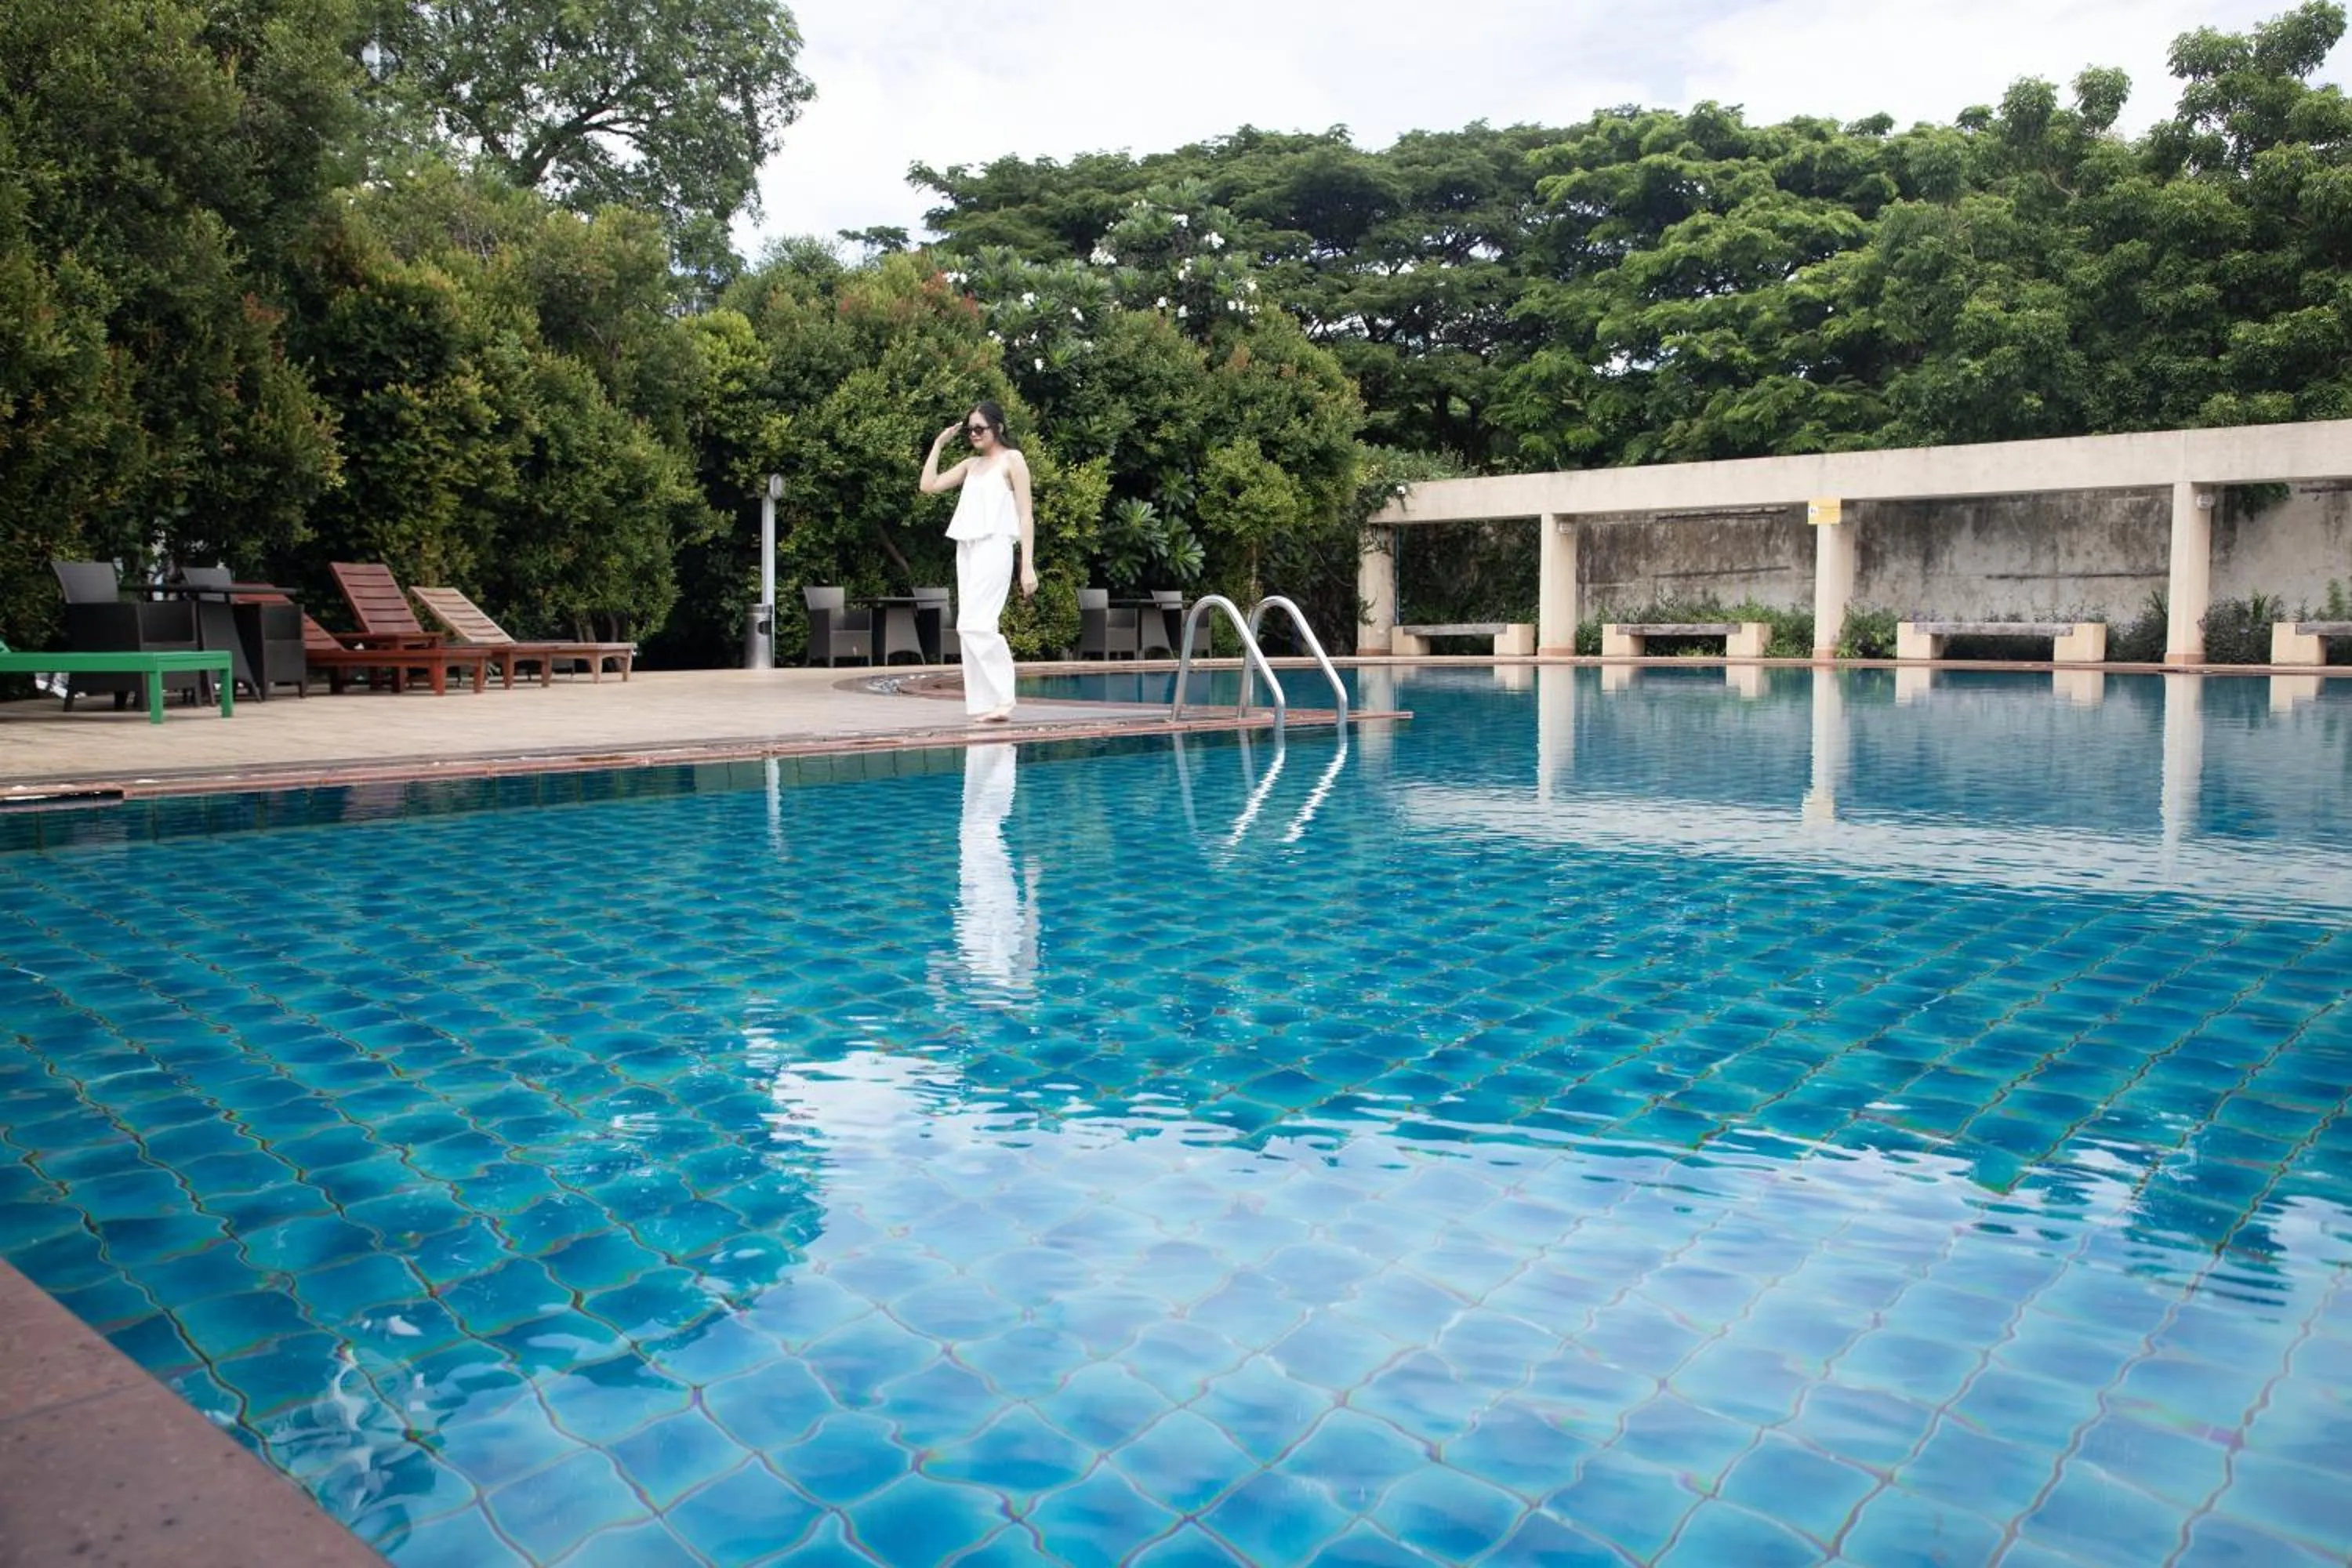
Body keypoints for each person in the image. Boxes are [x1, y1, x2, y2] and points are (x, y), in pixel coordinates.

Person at [919, 401, 1036, 721]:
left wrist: (1027, 565)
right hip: (967, 548)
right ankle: (985, 704)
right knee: (970, 626)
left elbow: (1026, 515)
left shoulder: (1013, 460)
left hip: (995, 545)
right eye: (970, 429)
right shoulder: (971, 465)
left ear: (998, 428)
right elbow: (928, 486)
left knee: (974, 625)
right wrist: (938, 445)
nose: (973, 434)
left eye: (980, 428)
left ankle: (1004, 698)